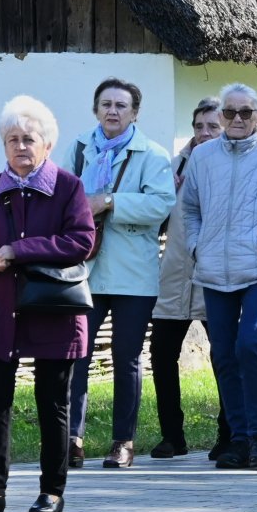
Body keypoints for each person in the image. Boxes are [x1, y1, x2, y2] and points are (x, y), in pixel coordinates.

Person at [0, 97, 97, 512]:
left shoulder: (68, 186)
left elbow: (81, 241)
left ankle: (52, 491)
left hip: (51, 309)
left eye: (29, 139)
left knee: (52, 403)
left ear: (47, 145)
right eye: (12, 139)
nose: (20, 146)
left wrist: (18, 250)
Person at [182, 82, 257, 470]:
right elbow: (189, 209)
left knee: (249, 345)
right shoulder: (202, 158)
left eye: (245, 112)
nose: (237, 119)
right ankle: (237, 440)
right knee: (222, 353)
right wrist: (197, 245)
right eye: (230, 112)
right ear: (220, 117)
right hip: (214, 271)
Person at [64, 78, 175, 470]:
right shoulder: (79, 149)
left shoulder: (153, 154)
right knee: (74, 355)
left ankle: (122, 442)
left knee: (127, 358)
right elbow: (59, 195)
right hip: (84, 271)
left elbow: (162, 205)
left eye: (121, 106)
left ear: (135, 113)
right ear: (96, 109)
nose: (113, 111)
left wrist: (109, 201)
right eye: (106, 104)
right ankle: (71, 440)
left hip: (132, 273)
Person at [148, 97, 231, 459]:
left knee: (224, 355)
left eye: (212, 126)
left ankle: (228, 434)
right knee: (161, 353)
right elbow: (158, 219)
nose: (204, 133)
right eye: (199, 126)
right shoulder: (176, 164)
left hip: (217, 275)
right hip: (175, 274)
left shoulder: (234, 165)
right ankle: (172, 436)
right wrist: (169, 194)